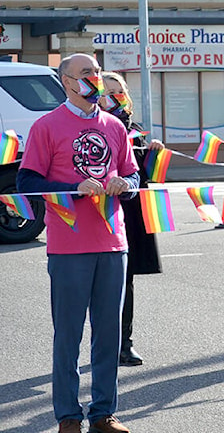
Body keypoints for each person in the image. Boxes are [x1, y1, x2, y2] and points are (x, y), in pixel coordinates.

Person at [17, 54, 140, 433]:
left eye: (97, 72)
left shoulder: (115, 126)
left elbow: (135, 178)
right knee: (68, 334)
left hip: (112, 242)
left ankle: (104, 412)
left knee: (109, 334)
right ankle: (68, 415)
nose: (94, 78)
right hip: (68, 245)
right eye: (86, 73)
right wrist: (72, 188)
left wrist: (126, 185)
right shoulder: (47, 125)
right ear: (67, 82)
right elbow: (27, 184)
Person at [98, 72, 164, 367]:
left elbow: (148, 178)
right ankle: (101, 342)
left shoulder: (135, 131)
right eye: (107, 92)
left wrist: (155, 155)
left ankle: (125, 343)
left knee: (126, 281)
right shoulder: (92, 127)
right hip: (99, 212)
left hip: (132, 214)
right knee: (99, 283)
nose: (114, 98)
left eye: (119, 92)